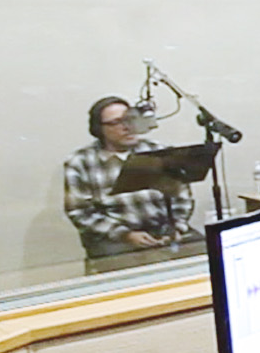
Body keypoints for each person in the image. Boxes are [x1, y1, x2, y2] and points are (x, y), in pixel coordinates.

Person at [63, 96, 196, 266]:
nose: (127, 127)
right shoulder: (80, 162)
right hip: (115, 238)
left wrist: (177, 227)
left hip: (163, 229)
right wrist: (126, 235)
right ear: (99, 129)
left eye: (131, 119)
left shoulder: (158, 151)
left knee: (208, 254)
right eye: (117, 122)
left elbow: (182, 196)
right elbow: (79, 212)